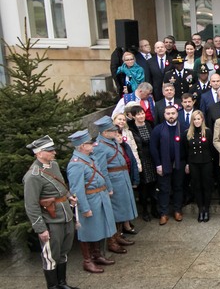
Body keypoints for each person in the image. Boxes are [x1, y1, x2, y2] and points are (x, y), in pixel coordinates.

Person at [24, 135, 79, 289]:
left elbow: (62, 187)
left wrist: (69, 197)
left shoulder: (53, 165)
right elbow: (31, 205)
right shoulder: (33, 176)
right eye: (50, 150)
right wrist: (40, 229)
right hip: (51, 220)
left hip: (65, 216)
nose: (54, 152)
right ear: (39, 153)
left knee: (63, 251)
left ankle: (62, 283)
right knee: (50, 256)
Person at [66, 129, 117, 274]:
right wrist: (84, 208)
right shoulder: (76, 164)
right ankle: (87, 261)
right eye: (90, 143)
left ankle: (97, 254)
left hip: (99, 197)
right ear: (82, 146)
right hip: (90, 200)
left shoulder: (89, 158)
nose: (94, 145)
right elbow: (77, 189)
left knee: (98, 228)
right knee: (86, 231)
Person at [93, 116, 138, 249]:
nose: (115, 132)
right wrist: (108, 186)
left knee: (122, 209)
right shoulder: (100, 147)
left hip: (122, 178)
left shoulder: (111, 142)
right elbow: (102, 169)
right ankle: (112, 241)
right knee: (115, 212)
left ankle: (118, 235)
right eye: (112, 131)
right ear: (104, 132)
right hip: (114, 181)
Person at [149, 105, 185, 225]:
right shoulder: (158, 129)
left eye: (173, 113)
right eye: (168, 113)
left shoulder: (183, 128)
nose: (171, 116)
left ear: (177, 114)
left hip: (179, 164)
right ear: (164, 115)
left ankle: (177, 210)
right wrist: (158, 164)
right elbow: (153, 148)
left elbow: (187, 147)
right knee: (164, 189)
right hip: (163, 165)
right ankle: (163, 213)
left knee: (178, 187)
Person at [126, 104, 157, 221]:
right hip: (141, 159)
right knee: (143, 186)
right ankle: (145, 211)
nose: (141, 116)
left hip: (151, 157)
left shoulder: (149, 124)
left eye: (142, 113)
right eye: (138, 114)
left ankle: (154, 208)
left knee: (154, 184)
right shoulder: (131, 128)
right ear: (133, 116)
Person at [185, 109, 215, 222]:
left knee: (206, 186)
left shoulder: (207, 132)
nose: (197, 121)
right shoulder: (187, 133)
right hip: (194, 163)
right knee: (196, 186)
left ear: (202, 119)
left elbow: (212, 149)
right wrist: (187, 164)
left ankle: (206, 209)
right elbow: (186, 150)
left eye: (199, 118)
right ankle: (200, 209)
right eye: (194, 119)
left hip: (206, 162)